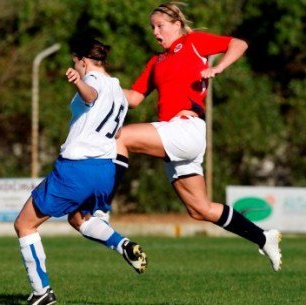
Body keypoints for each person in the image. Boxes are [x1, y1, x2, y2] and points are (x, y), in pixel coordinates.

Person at [117, 2, 282, 271]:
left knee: (120, 137)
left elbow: (238, 44)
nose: (155, 32)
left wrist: (218, 68)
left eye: (160, 26)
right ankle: (263, 237)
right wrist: (102, 87)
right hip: (175, 135)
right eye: (152, 28)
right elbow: (134, 98)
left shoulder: (193, 42)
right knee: (200, 210)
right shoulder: (156, 61)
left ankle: (100, 210)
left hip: (185, 129)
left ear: (177, 25)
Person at [14, 39, 147, 305]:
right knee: (78, 219)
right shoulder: (118, 91)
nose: (73, 66)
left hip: (77, 168)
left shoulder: (94, 83)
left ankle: (41, 292)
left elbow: (91, 95)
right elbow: (113, 122)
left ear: (83, 61)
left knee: (24, 224)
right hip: (104, 171)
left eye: (75, 62)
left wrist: (78, 81)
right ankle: (122, 245)